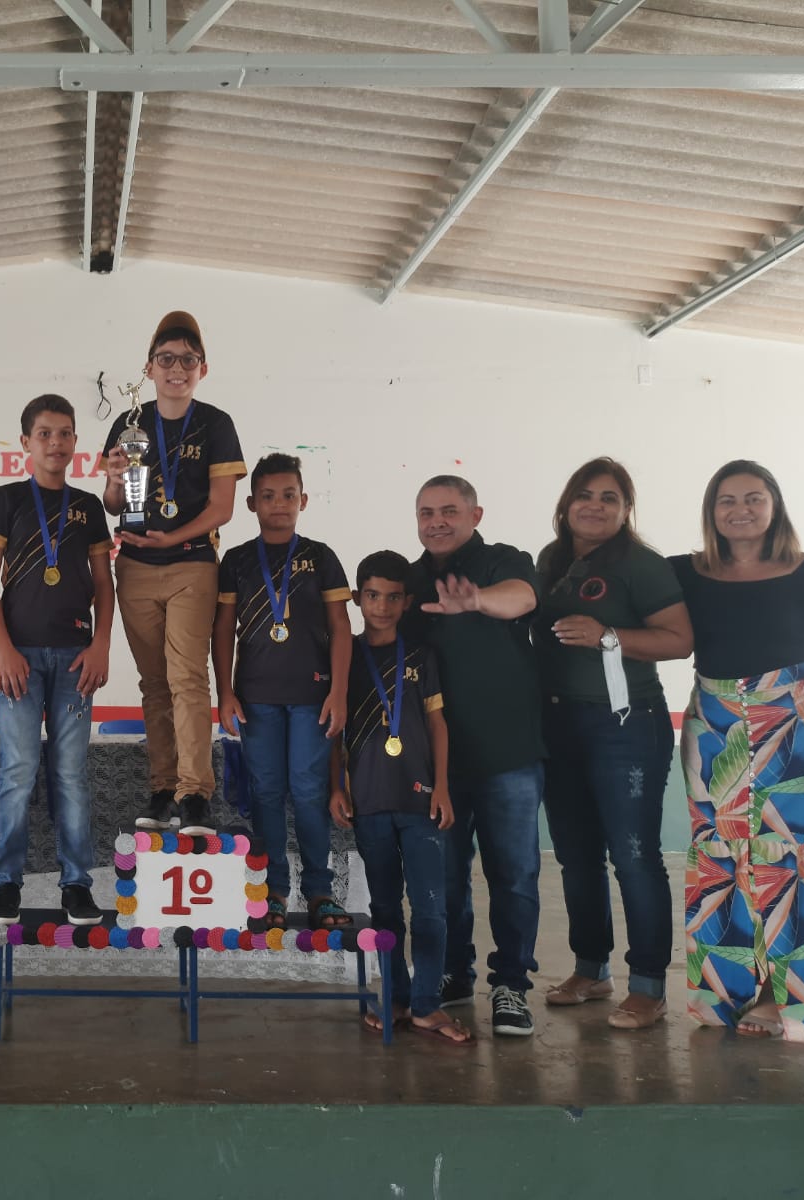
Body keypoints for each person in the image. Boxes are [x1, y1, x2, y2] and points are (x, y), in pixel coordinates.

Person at [674, 460, 804, 1045]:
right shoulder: (684, 574)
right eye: (727, 500)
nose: (741, 510)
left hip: (800, 720)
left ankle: (798, 1000)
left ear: (775, 505)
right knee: (726, 859)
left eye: (754, 498)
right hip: (716, 728)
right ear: (711, 511)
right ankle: (737, 991)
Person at [535, 459, 691, 1031]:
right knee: (576, 855)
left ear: (626, 510)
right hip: (558, 725)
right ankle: (591, 970)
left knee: (633, 855)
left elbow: (680, 640)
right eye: (585, 494)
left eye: (609, 497)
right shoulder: (551, 560)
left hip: (626, 725)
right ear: (566, 504)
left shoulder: (641, 564)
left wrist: (609, 637)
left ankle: (648, 985)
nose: (595, 505)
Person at [405, 475, 544, 1037]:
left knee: (514, 875)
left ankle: (511, 984)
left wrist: (477, 601)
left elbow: (523, 597)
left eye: (449, 511)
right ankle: (452, 974)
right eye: (426, 512)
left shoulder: (502, 561)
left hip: (508, 752)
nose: (436, 521)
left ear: (475, 515)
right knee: (444, 877)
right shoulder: (411, 579)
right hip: (436, 761)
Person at [99, 310, 246, 835]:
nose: (176, 369)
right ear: (149, 368)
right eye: (166, 359)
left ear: (203, 368)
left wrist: (174, 536)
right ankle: (162, 788)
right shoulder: (129, 423)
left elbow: (223, 507)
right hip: (136, 568)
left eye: (188, 359)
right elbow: (115, 504)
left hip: (192, 565)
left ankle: (195, 793)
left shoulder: (216, 424)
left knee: (187, 678)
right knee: (155, 683)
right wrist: (113, 480)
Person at [0, 394, 114, 928]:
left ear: (76, 440)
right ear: (26, 442)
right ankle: (5, 884)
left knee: (71, 773)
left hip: (76, 659)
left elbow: (104, 584)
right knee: (17, 770)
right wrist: (3, 648)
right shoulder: (6, 499)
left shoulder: (89, 507)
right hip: (18, 659)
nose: (56, 443)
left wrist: (101, 645)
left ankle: (76, 884)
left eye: (65, 433)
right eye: (44, 434)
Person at [331, 551, 471, 1045]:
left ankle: (428, 1005)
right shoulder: (345, 656)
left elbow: (437, 723)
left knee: (431, 907)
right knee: (386, 909)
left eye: (393, 597)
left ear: (407, 602)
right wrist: (336, 786)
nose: (382, 606)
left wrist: (443, 786)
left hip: (420, 800)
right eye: (372, 595)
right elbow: (333, 731)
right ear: (357, 598)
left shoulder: (421, 657)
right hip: (367, 803)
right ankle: (395, 996)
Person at [214, 453, 352, 930]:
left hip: (314, 698)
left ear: (303, 500)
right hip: (256, 699)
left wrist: (339, 692)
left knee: (310, 790)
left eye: (289, 495)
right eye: (268, 496)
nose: (279, 504)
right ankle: (272, 890)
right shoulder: (236, 560)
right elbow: (223, 629)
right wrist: (224, 692)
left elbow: (341, 628)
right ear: (251, 503)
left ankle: (319, 891)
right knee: (267, 792)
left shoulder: (321, 557)